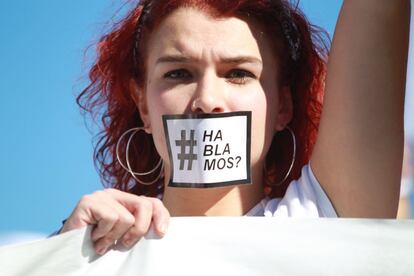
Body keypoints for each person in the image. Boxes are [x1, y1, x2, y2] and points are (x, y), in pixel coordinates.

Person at [58, 0, 411, 256]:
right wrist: (62, 255)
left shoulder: (324, 220)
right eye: (178, 73)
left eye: (238, 73)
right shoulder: (99, 250)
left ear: (283, 105)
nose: (207, 99)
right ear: (142, 106)